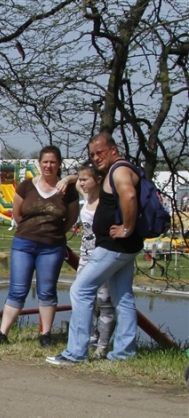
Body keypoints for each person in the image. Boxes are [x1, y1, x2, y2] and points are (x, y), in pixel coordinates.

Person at [48, 132, 142, 365]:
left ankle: (76, 352)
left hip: (113, 246)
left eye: (100, 152)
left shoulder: (119, 170)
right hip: (124, 247)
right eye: (92, 154)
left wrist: (127, 228)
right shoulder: (121, 169)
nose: (96, 157)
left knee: (81, 290)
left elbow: (129, 195)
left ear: (113, 149)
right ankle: (123, 353)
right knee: (124, 297)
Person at [0, 145, 78, 348]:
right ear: (39, 163)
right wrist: (31, 229)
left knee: (47, 291)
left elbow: (71, 218)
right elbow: (17, 214)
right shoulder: (26, 185)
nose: (48, 166)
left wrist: (68, 179)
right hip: (24, 243)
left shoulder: (67, 190)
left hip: (52, 246)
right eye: (45, 162)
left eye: (53, 162)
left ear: (59, 164)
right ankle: (2, 333)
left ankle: (45, 335)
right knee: (17, 290)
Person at [67, 162, 116, 359]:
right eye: (81, 179)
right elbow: (74, 180)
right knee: (84, 298)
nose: (81, 183)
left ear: (98, 180)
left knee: (104, 300)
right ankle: (89, 338)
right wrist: (66, 179)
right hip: (85, 256)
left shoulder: (107, 201)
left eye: (85, 179)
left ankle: (102, 346)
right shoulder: (87, 195)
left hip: (102, 255)